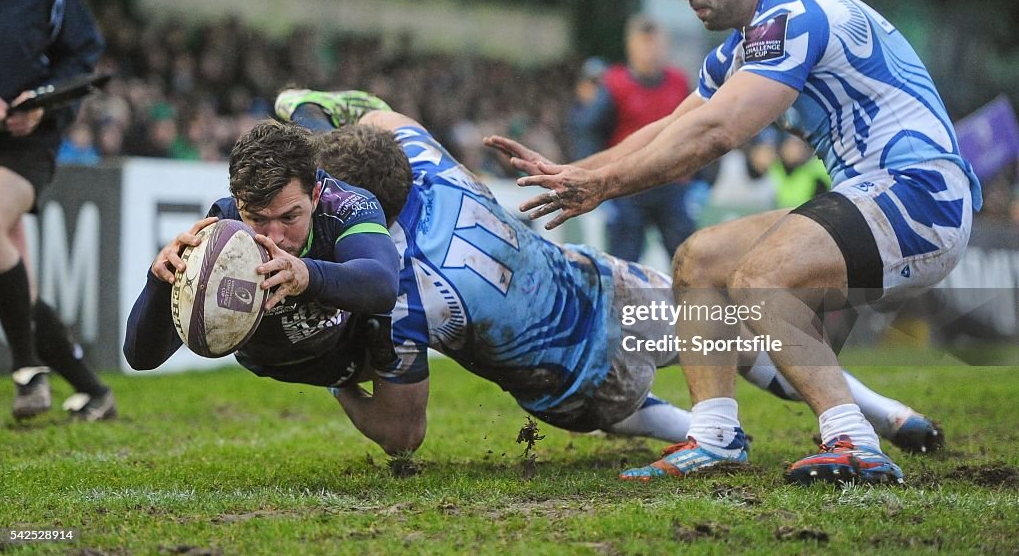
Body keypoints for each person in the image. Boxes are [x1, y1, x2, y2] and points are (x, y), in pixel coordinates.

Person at [486, 0, 980, 484]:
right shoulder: (751, 40)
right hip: (878, 195)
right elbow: (675, 124)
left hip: (920, 197)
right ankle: (715, 434)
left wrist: (605, 184)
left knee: (762, 277)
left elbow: (717, 132)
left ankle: (853, 441)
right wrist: (576, 172)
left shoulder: (792, 15)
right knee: (701, 261)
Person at [275, 89, 945, 458]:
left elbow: (403, 434)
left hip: (572, 378)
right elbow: (372, 109)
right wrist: (304, 103)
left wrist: (337, 378)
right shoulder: (423, 156)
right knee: (735, 336)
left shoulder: (394, 289)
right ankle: (893, 413)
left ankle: (694, 431)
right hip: (600, 284)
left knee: (626, 408)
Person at [123, 121, 400, 399]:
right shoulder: (221, 230)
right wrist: (159, 282)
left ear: (315, 196)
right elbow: (141, 359)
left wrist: (307, 275)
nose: (275, 236)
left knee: (403, 436)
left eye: (289, 217)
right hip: (267, 362)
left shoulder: (347, 206)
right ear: (238, 202)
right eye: (257, 218)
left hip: (347, 352)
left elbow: (384, 284)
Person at [0, 0, 117, 421]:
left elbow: (81, 57)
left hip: (24, 144)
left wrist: (43, 105)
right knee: (11, 274)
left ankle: (28, 373)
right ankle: (93, 391)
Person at [569, 16, 698, 262]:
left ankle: (697, 302)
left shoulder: (679, 83)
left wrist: (700, 179)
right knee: (623, 260)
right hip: (626, 184)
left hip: (672, 182)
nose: (650, 50)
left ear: (666, 45)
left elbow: (699, 128)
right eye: (644, 43)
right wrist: (594, 177)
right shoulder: (615, 84)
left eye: (655, 44)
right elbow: (588, 131)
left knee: (689, 258)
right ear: (631, 46)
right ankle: (623, 302)